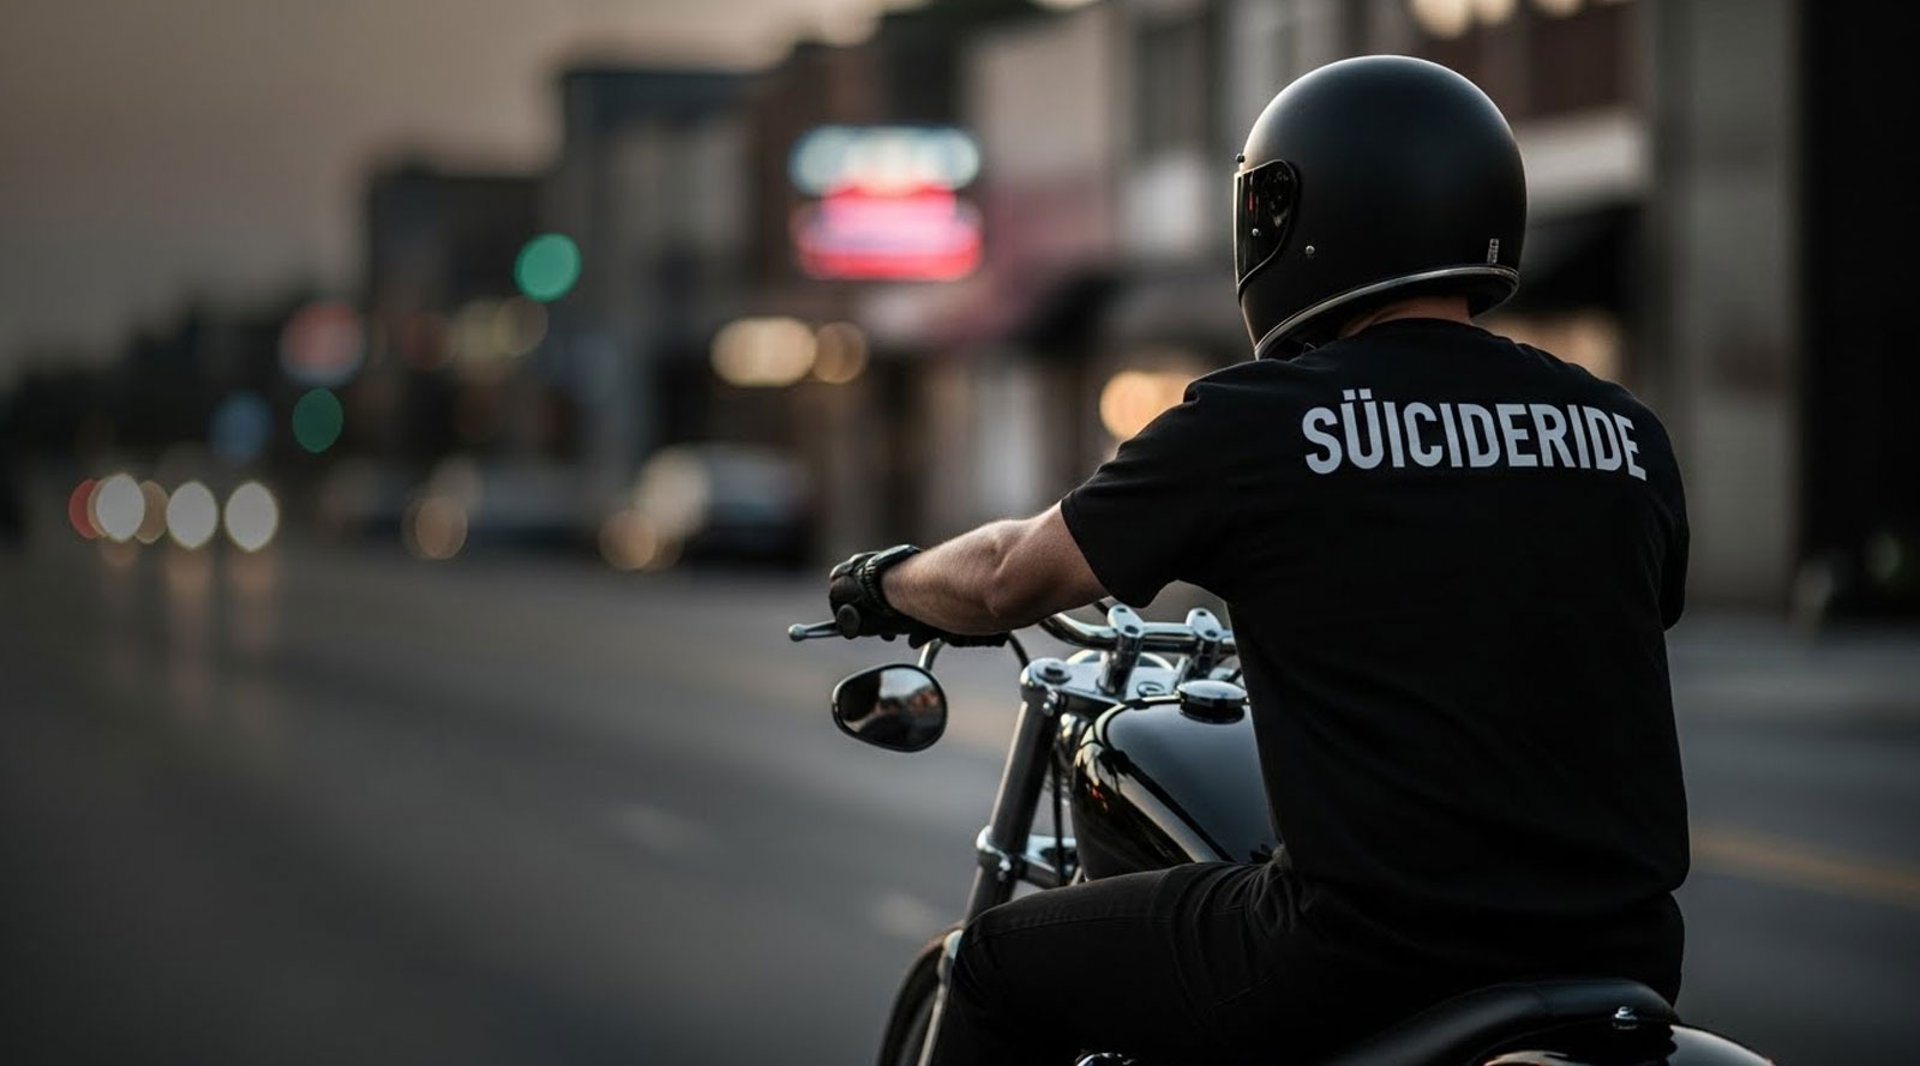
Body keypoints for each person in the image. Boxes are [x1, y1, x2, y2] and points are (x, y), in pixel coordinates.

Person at [827, 55, 1689, 1065]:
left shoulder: (1261, 424)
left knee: (994, 962)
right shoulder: (1623, 433)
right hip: (1625, 959)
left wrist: (883, 581)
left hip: (1365, 958)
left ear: (1292, 220)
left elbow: (1010, 575)